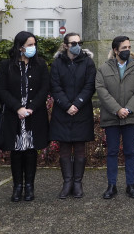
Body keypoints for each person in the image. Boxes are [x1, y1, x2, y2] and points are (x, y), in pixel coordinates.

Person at [0, 31, 51, 203]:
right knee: (17, 151)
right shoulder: (7, 65)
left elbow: (45, 88)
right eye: (29, 45)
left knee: (31, 150)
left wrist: (32, 107)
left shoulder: (40, 64)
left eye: (34, 44)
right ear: (20, 47)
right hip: (15, 115)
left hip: (34, 115)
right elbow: (1, 89)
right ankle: (17, 186)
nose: (33, 48)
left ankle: (29, 186)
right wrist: (18, 107)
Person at [96, 35, 134, 199]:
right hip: (111, 117)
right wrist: (117, 109)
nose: (127, 51)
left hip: (131, 117)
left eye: (129, 47)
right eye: (124, 48)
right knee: (111, 152)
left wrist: (128, 109)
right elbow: (102, 91)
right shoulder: (103, 69)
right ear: (115, 50)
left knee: (130, 151)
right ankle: (112, 186)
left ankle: (130, 185)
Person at [49, 33, 96, 199]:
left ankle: (78, 183)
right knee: (64, 148)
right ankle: (67, 182)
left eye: (79, 42)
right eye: (74, 42)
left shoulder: (88, 63)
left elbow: (90, 86)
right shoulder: (57, 63)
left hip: (81, 111)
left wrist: (77, 104)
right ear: (66, 45)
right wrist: (67, 105)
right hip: (62, 111)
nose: (77, 45)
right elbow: (55, 87)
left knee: (80, 148)